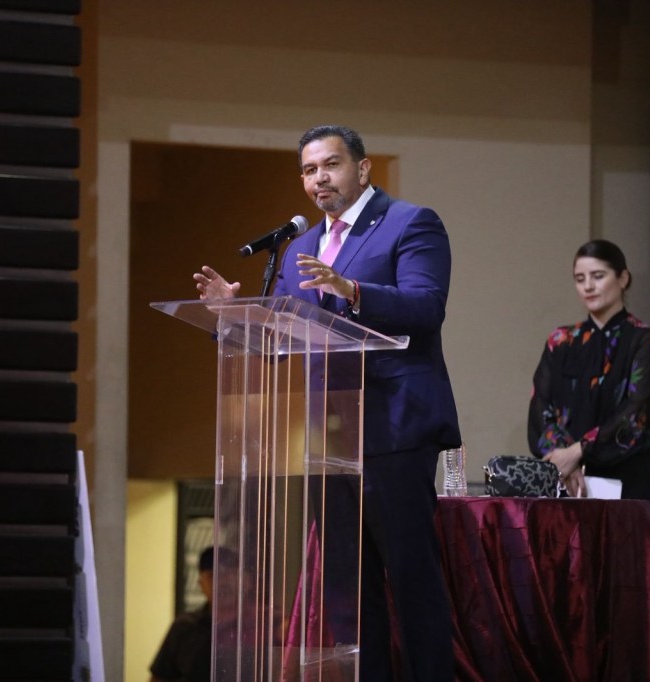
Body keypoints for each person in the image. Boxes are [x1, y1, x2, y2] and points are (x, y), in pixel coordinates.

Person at [193, 125, 460, 682]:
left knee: (412, 583)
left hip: (394, 430)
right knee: (347, 593)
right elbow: (278, 339)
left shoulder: (410, 223)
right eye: (309, 170)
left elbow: (426, 306)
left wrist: (352, 290)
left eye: (331, 165)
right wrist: (232, 318)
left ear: (362, 168)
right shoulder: (300, 249)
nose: (320, 178)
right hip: (328, 438)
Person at [527, 239, 650, 500]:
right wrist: (565, 460)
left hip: (627, 482)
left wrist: (579, 451)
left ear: (623, 278)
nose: (588, 286)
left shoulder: (643, 340)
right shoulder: (561, 341)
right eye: (580, 279)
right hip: (565, 480)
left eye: (598, 276)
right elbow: (540, 407)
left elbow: (637, 411)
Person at [148, 547, 214, 682]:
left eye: (229, 574)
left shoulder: (255, 626)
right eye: (212, 576)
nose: (223, 582)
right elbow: (159, 678)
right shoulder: (185, 626)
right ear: (201, 584)